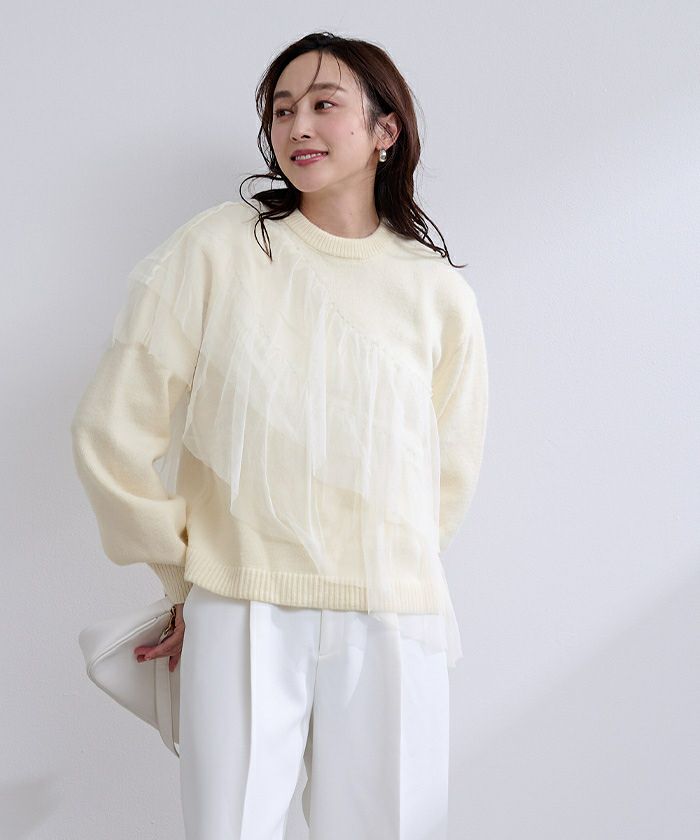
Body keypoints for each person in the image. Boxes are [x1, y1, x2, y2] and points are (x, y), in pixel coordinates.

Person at [70, 31, 488, 840]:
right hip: (243, 605)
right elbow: (110, 429)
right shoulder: (219, 248)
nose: (297, 126)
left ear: (386, 129)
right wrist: (184, 578)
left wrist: (385, 571)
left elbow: (447, 472)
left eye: (324, 105)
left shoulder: (435, 291)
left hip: (394, 614)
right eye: (281, 110)